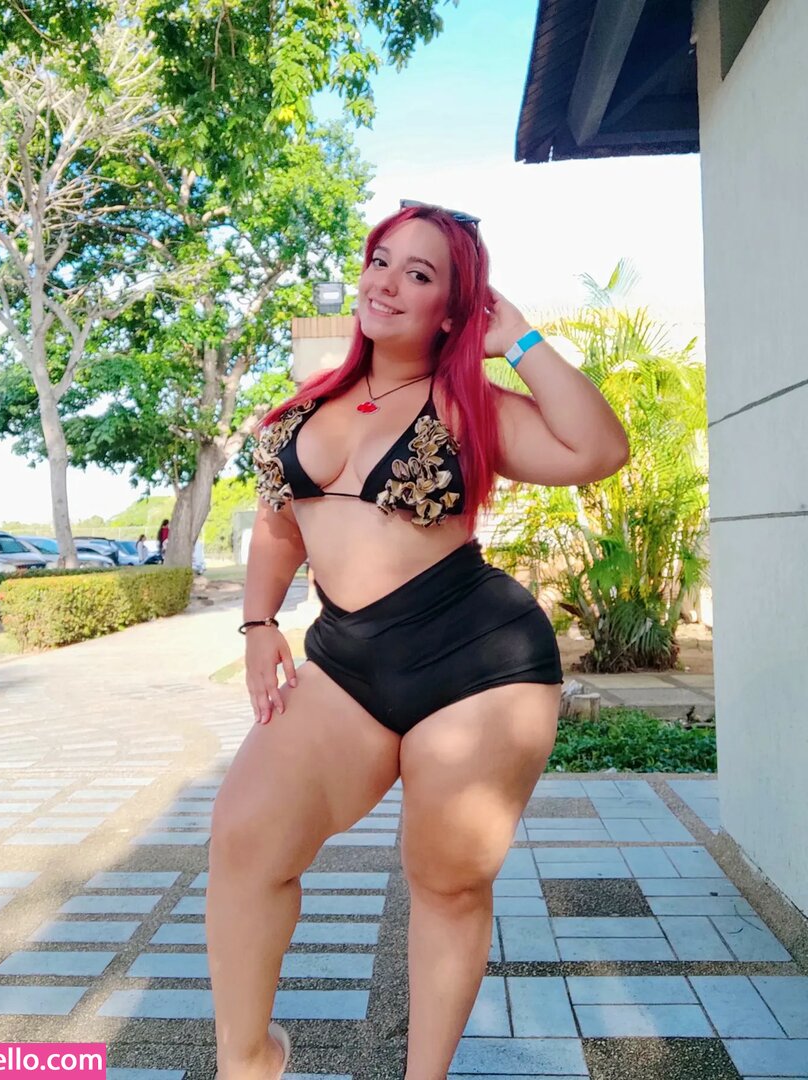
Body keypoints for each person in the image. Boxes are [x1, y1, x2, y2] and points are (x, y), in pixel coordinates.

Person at [207, 202, 630, 1080]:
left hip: (482, 667)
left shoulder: (473, 407)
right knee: (245, 841)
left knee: (446, 880)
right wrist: (258, 623)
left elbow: (598, 449)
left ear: (452, 308)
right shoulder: (301, 410)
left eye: (420, 273)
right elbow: (279, 530)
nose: (388, 283)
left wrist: (518, 338)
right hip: (345, 662)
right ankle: (246, 1060)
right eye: (381, 261)